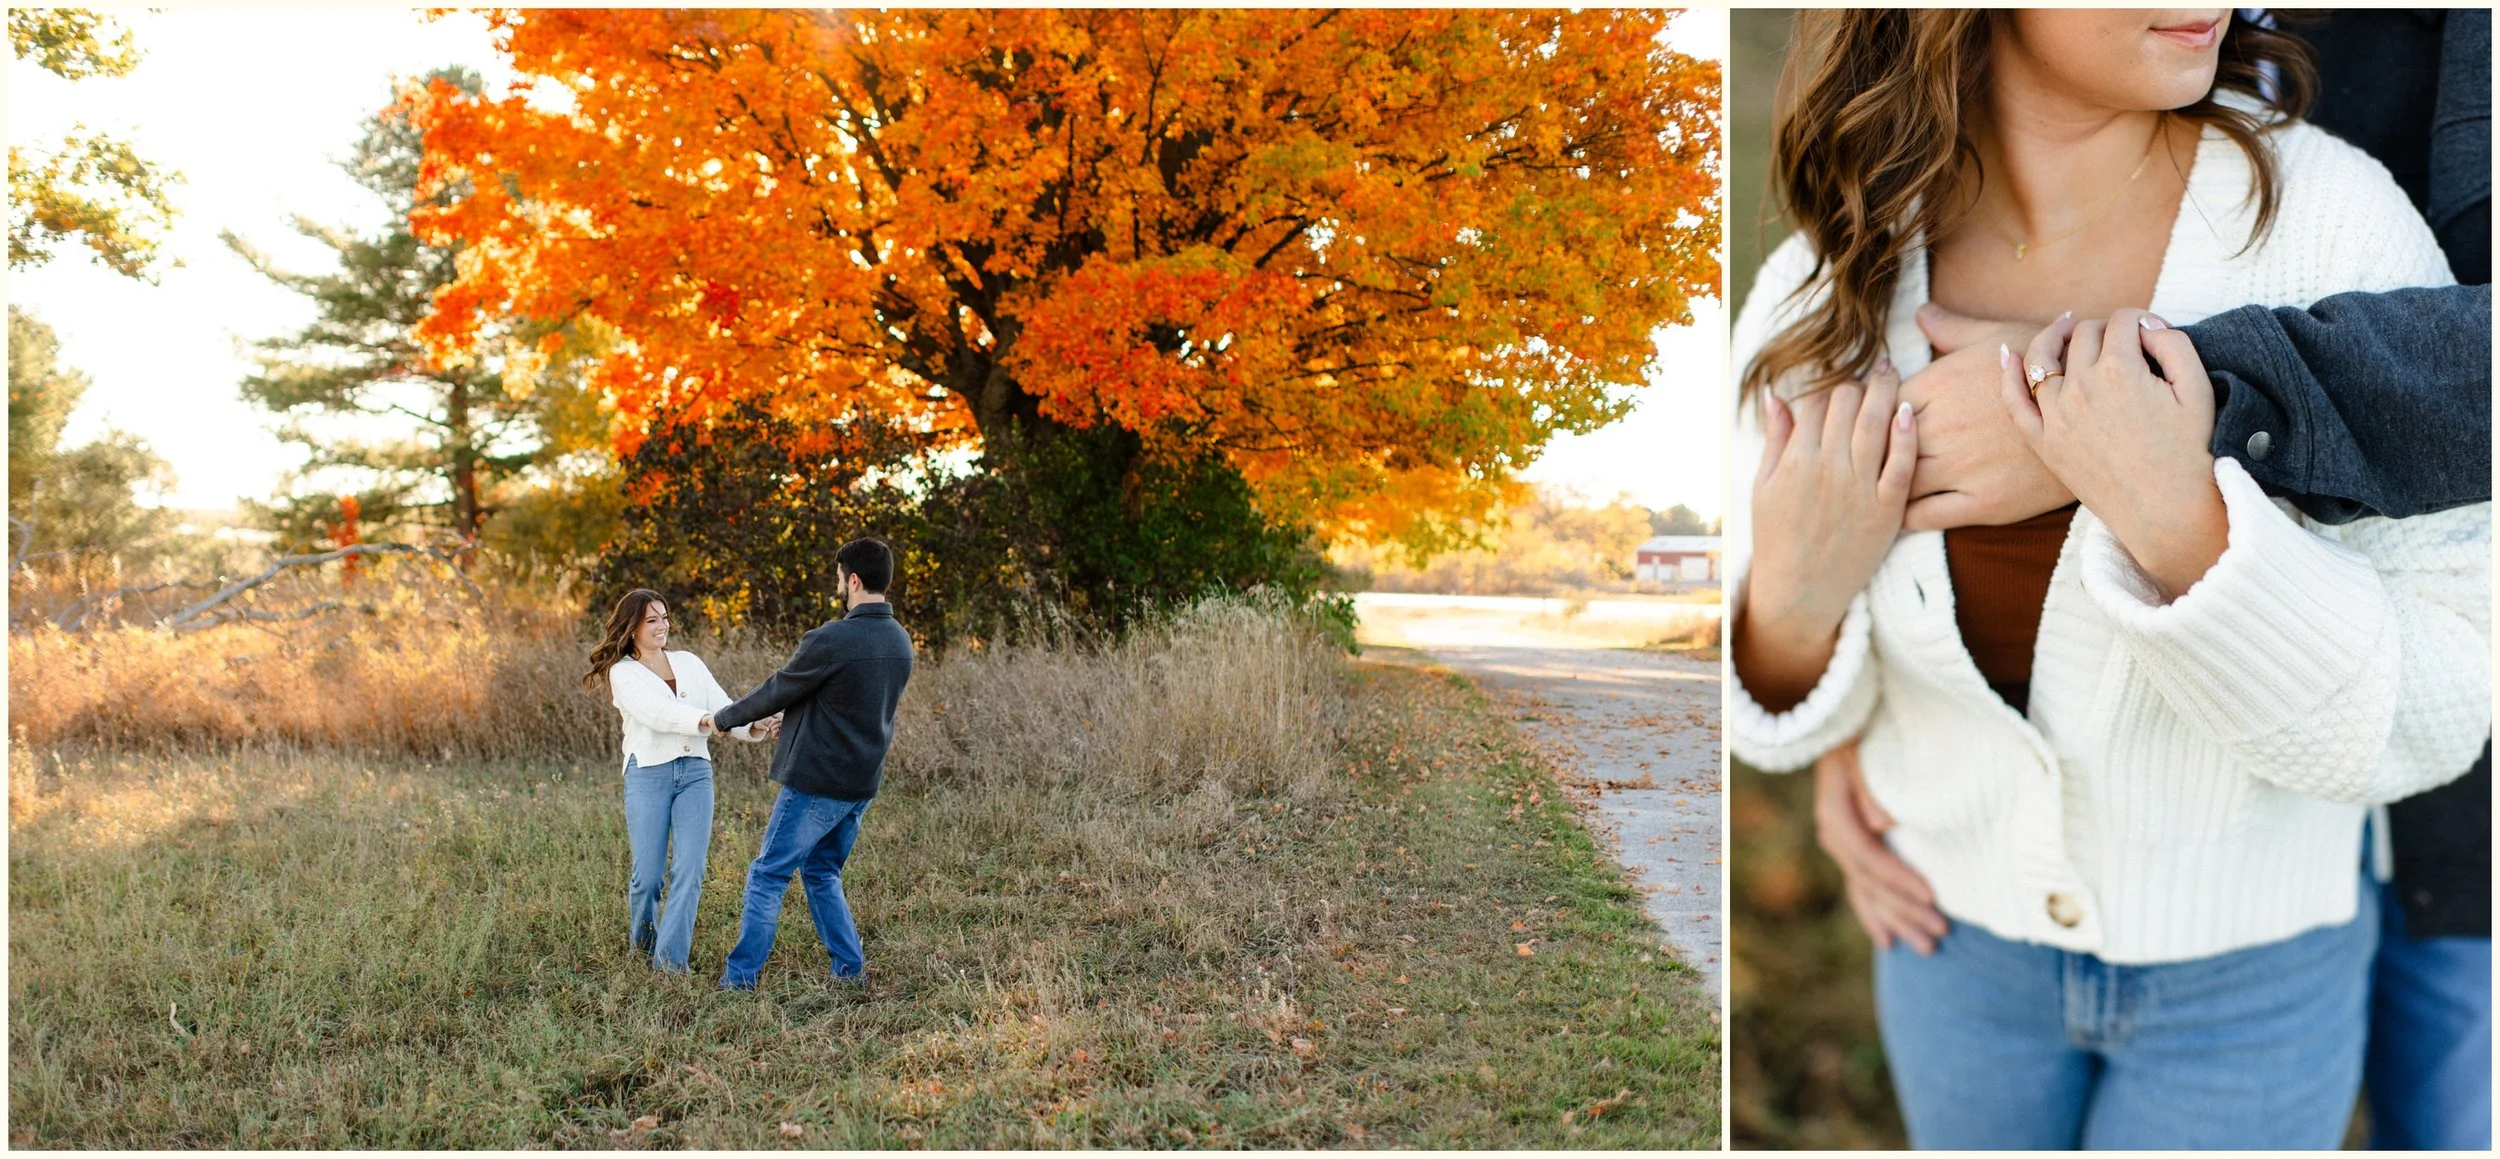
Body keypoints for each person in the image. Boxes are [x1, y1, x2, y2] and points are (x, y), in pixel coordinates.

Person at [1729, 9, 2491, 1149]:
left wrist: (2177, 516)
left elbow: (2437, 711)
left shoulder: (2335, 224)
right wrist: (1793, 592)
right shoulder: (1822, 283)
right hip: (1948, 957)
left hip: (2255, 988)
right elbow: (1779, 719)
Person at [707, 537, 915, 991]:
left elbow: (778, 688)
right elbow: (848, 702)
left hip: (817, 783)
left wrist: (724, 719)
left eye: (840, 578)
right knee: (822, 871)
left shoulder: (832, 638)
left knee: (768, 874)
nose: (838, 585)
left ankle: (739, 981)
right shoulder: (900, 641)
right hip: (861, 784)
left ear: (854, 580)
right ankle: (849, 971)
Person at [584, 589, 779, 974]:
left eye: (665, 617)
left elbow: (724, 708)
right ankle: (643, 944)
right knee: (649, 876)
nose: (662, 626)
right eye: (651, 620)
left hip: (695, 773)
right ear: (632, 627)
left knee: (690, 869)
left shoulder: (688, 662)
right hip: (648, 773)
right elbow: (658, 714)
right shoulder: (624, 672)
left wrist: (757, 723)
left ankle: (671, 965)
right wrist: (707, 721)